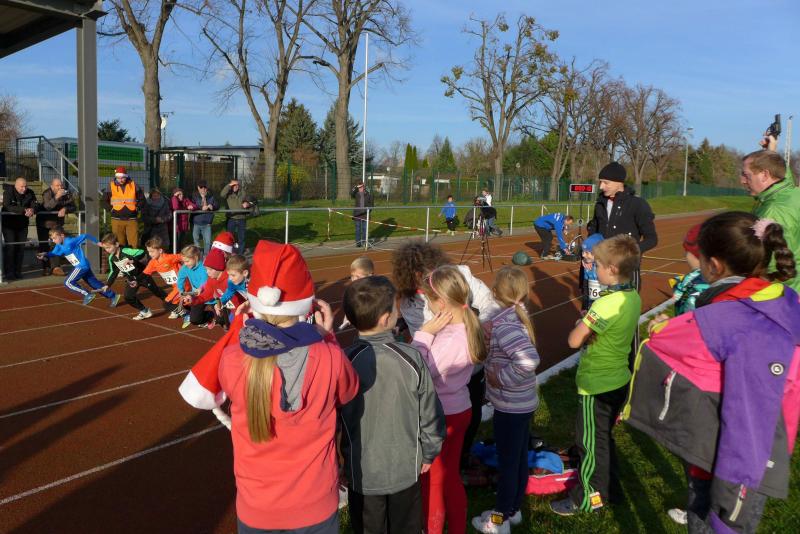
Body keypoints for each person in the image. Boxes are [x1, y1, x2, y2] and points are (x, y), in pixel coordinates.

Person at [625, 212, 800, 534]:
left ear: (714, 265)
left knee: (705, 520)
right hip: (759, 454)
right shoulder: (778, 302)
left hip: (730, 470)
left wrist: (732, 505)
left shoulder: (732, 323)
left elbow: (749, 417)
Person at [217, 240, 359, 532]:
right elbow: (349, 391)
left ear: (253, 302)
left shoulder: (231, 359)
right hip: (315, 503)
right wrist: (327, 337)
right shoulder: (329, 356)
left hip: (256, 506)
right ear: (307, 304)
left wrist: (240, 327)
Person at [340, 275, 446, 534]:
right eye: (396, 309)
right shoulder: (411, 357)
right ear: (386, 318)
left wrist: (337, 462)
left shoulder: (343, 361)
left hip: (362, 471)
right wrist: (430, 450)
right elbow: (430, 411)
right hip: (404, 467)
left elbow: (330, 419)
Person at [550, 234, 642, 516]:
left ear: (612, 269)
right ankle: (610, 488)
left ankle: (586, 498)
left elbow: (573, 341)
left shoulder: (604, 305)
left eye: (598, 265)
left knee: (589, 445)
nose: (593, 269)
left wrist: (582, 323)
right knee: (603, 440)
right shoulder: (632, 297)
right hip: (618, 380)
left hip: (596, 386)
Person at [392, 241, 500, 472]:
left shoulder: (461, 276)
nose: (426, 278)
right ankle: (443, 462)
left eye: (429, 271)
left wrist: (478, 326)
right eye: (419, 276)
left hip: (469, 364)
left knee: (471, 412)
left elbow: (489, 304)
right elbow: (424, 350)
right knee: (440, 429)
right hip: (439, 377)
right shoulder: (411, 303)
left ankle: (461, 456)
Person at [411, 265, 488, 534]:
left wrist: (423, 335)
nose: (427, 306)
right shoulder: (464, 327)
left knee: (432, 481)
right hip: (459, 407)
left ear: (441, 303)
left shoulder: (448, 339)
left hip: (440, 415)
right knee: (450, 476)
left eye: (428, 301)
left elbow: (417, 372)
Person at [472, 266, 540, 534]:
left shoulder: (505, 326)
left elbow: (529, 361)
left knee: (509, 465)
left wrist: (500, 377)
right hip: (520, 404)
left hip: (511, 408)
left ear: (494, 292)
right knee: (518, 460)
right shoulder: (515, 316)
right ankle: (514, 510)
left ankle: (499, 521)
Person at [586, 162, 657, 290]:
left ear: (619, 183)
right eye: (600, 182)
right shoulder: (600, 204)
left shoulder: (638, 204)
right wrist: (588, 252)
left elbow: (652, 239)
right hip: (602, 268)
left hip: (626, 269)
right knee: (598, 302)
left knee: (624, 303)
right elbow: (593, 232)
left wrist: (629, 254)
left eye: (606, 183)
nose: (601, 186)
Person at [740, 148, 800, 292]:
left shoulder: (773, 211)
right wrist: (771, 149)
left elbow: (775, 264)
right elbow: (783, 177)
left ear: (765, 175)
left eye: (746, 175)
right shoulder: (791, 192)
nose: (742, 180)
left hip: (783, 293)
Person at [36, 226, 118, 306]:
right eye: (52, 239)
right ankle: (113, 296)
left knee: (68, 282)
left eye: (55, 238)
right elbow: (54, 253)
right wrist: (45, 254)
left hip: (81, 266)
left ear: (62, 235)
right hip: (82, 266)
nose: (53, 241)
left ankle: (87, 294)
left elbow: (86, 235)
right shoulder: (58, 245)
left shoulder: (70, 241)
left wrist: (97, 242)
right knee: (94, 284)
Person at [97, 234, 167, 321]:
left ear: (116, 244)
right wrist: (108, 285)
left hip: (142, 276)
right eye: (105, 248)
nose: (107, 250)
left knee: (156, 291)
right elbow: (113, 272)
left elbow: (141, 252)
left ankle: (173, 304)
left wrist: (132, 260)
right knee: (128, 296)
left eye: (109, 247)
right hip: (132, 280)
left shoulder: (126, 251)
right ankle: (144, 311)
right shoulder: (112, 258)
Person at [36, 177, 76, 276]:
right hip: (44, 222)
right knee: (44, 245)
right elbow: (47, 206)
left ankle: (56, 267)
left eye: (61, 185)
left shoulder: (66, 193)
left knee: (57, 244)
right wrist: (57, 197)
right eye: (57, 185)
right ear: (52, 186)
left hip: (57, 223)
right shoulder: (47, 193)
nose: (60, 187)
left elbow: (73, 206)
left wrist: (65, 209)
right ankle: (46, 267)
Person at [183, 247, 229, 330]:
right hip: (227, 307)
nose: (207, 272)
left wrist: (220, 303)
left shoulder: (230, 279)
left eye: (210, 269)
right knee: (223, 321)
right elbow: (205, 296)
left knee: (227, 322)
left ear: (219, 268)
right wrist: (193, 299)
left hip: (240, 309)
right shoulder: (211, 280)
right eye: (206, 269)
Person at [1, 177, 37, 280]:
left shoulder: (30, 192)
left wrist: (32, 210)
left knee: (20, 248)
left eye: (25, 186)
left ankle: (18, 271)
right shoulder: (8, 192)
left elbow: (36, 204)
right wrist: (24, 210)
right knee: (11, 248)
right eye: (22, 187)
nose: (24, 189)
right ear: (16, 185)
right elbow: (7, 206)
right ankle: (9, 273)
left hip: (22, 225)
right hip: (9, 225)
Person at [143, 236, 185, 319]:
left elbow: (185, 257)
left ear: (160, 250)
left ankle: (186, 314)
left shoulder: (170, 258)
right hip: (175, 286)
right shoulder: (153, 262)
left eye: (152, 251)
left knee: (167, 303)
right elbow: (144, 274)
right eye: (148, 251)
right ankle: (183, 311)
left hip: (182, 284)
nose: (150, 254)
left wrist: (186, 268)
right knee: (180, 302)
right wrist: (135, 280)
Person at [103, 166, 145, 248]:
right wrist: (110, 209)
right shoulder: (110, 185)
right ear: (116, 177)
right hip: (116, 219)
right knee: (119, 244)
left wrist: (137, 208)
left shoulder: (134, 185)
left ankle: (133, 257)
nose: (120, 180)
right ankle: (120, 257)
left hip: (132, 219)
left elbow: (142, 200)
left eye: (122, 178)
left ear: (126, 176)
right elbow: (103, 200)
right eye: (118, 178)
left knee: (134, 244)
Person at [175, 245, 210, 329]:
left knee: (221, 319)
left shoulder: (203, 268)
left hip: (207, 294)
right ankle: (202, 314)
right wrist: (181, 291)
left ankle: (212, 315)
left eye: (187, 261)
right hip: (196, 294)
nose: (185, 264)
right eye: (184, 261)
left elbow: (204, 282)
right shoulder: (185, 267)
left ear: (196, 258)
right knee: (194, 320)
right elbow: (180, 279)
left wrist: (200, 289)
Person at [339, 256, 375, 331]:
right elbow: (353, 306)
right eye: (352, 276)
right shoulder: (354, 290)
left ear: (369, 276)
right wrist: (348, 316)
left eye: (358, 277)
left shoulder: (376, 291)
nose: (354, 280)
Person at [216, 254, 249, 330]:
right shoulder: (231, 281)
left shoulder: (252, 283)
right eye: (229, 275)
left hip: (260, 305)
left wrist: (245, 305)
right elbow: (229, 292)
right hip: (247, 303)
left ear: (245, 273)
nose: (230, 278)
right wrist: (220, 302)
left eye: (233, 275)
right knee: (232, 320)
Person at [220, 179, 253, 254]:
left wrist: (248, 204)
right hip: (231, 218)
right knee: (229, 237)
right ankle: (229, 253)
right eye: (233, 185)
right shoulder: (228, 193)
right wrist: (229, 185)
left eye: (237, 185)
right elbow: (222, 194)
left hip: (241, 218)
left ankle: (240, 254)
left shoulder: (243, 192)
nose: (235, 186)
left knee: (242, 237)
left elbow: (250, 201)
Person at [190, 181, 219, 256]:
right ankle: (198, 256)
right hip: (196, 223)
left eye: (205, 187)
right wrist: (201, 207)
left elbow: (217, 205)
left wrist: (213, 206)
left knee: (208, 242)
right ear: (198, 188)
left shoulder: (211, 197)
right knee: (196, 241)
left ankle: (206, 256)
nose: (203, 189)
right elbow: (192, 205)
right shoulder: (194, 196)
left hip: (207, 224)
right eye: (201, 187)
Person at [579, 233, 606, 312]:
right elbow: (586, 288)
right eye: (583, 252)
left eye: (587, 252)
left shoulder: (607, 268)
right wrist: (584, 307)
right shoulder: (587, 267)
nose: (583, 255)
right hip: (592, 306)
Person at [351, 181, 373, 247]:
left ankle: (364, 242)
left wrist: (368, 211)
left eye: (361, 187)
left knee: (365, 229)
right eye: (359, 187)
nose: (360, 188)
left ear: (364, 187)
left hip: (365, 214)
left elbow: (371, 204)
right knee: (358, 229)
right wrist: (356, 187)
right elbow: (351, 193)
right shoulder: (356, 194)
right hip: (357, 214)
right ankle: (358, 242)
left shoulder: (369, 194)